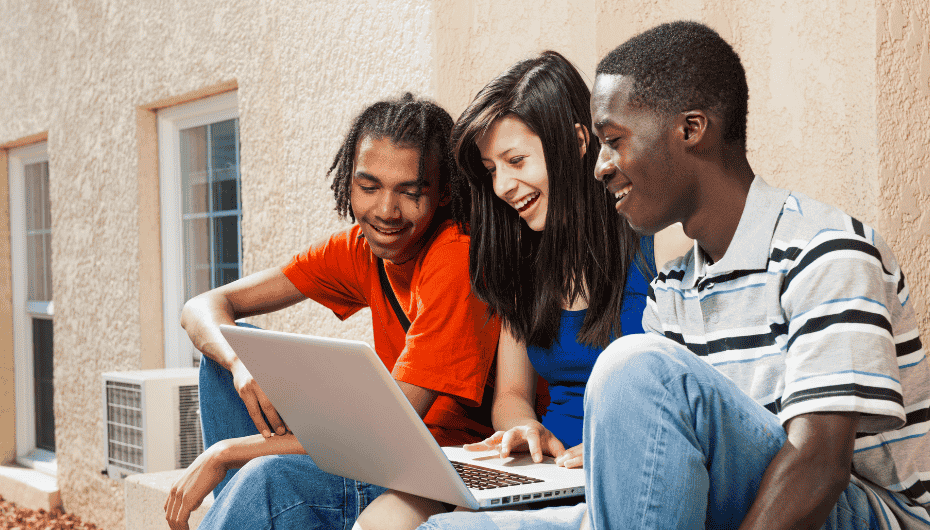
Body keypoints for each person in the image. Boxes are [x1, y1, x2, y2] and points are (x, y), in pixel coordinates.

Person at [578, 21, 930, 530]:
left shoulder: (827, 250)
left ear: (691, 129)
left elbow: (819, 466)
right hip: (739, 508)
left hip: (871, 514)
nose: (601, 167)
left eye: (613, 140)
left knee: (634, 367)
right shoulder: (671, 288)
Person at [358, 51, 688, 530]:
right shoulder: (524, 263)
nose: (503, 187)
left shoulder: (660, 245)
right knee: (382, 520)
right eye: (491, 169)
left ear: (576, 142)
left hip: (622, 466)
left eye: (515, 161)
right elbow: (512, 393)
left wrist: (613, 446)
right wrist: (522, 427)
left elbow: (693, 393)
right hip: (544, 468)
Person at [163, 93, 501, 530]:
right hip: (379, 453)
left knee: (269, 478)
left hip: (436, 469)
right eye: (369, 187)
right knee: (224, 358)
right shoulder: (360, 250)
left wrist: (226, 452)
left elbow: (387, 428)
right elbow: (202, 307)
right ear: (349, 182)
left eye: (410, 192)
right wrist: (237, 362)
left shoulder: (456, 257)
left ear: (444, 193)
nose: (386, 211)